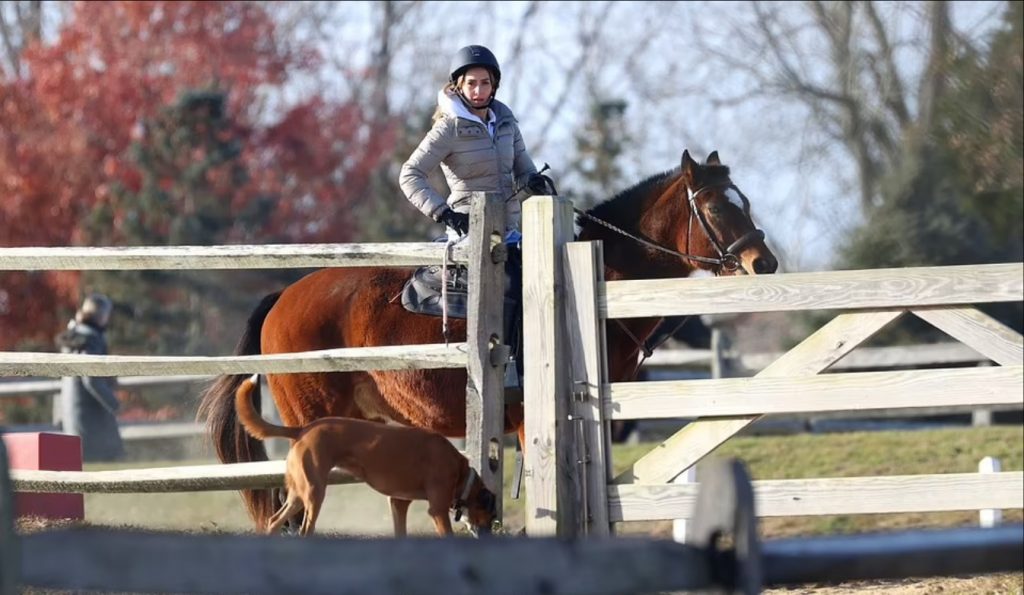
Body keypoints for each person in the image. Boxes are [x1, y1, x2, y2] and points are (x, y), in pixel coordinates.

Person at [399, 44, 553, 241]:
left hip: (508, 231)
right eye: (471, 83)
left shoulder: (507, 124)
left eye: (485, 83)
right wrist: (444, 213)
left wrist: (533, 183)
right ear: (458, 86)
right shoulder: (448, 128)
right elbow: (409, 174)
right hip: (468, 234)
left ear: (494, 86)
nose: (478, 91)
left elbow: (525, 172)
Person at [55, 293, 124, 462]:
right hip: (90, 412)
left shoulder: (75, 334)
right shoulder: (90, 338)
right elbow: (91, 379)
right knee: (99, 465)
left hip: (73, 408)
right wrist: (114, 404)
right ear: (101, 315)